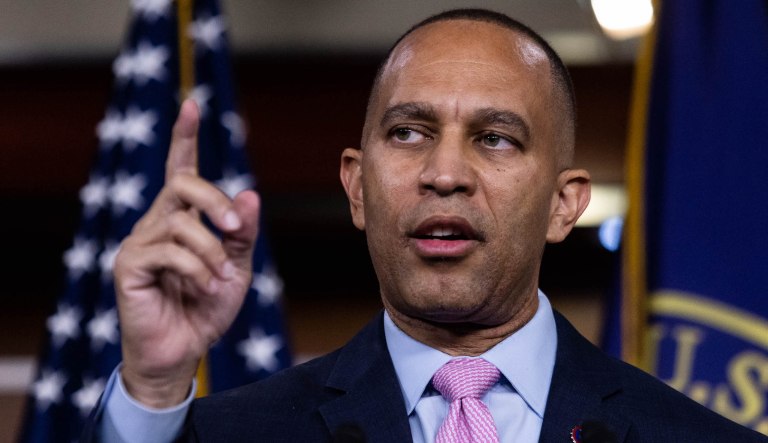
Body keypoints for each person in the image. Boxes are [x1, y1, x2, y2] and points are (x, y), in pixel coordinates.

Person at [85, 8, 767, 443]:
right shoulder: (227, 432)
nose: (445, 172)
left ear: (565, 204)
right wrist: (151, 386)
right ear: (357, 186)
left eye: (496, 138)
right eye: (409, 132)